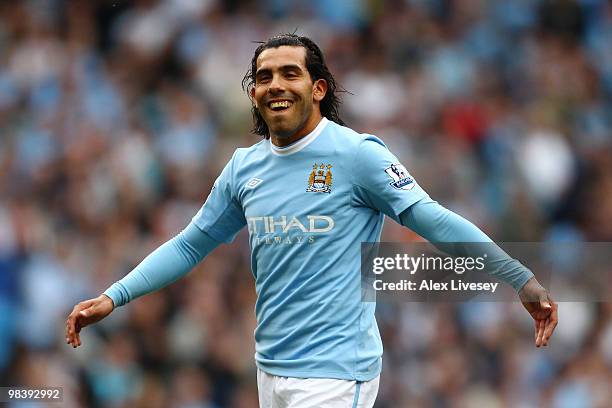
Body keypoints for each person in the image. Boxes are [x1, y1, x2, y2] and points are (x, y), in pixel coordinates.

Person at [66, 34, 558, 407]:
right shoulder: (245, 167)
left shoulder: (357, 155)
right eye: (264, 77)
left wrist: (518, 277)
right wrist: (116, 295)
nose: (275, 84)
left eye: (289, 73)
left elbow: (434, 221)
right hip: (271, 368)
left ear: (318, 88)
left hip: (337, 371)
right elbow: (191, 244)